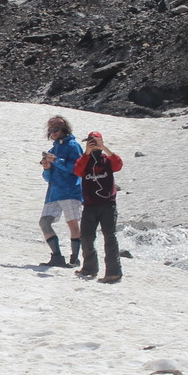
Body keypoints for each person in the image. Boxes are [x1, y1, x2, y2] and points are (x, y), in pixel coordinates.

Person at [73, 130, 123, 283]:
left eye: (96, 141)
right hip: (90, 205)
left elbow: (118, 164)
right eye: (90, 141)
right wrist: (87, 153)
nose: (93, 144)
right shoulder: (84, 160)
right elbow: (77, 170)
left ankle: (113, 272)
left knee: (110, 237)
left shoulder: (107, 159)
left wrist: (105, 148)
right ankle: (90, 267)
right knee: (86, 237)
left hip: (108, 204)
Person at [38, 115, 83, 267]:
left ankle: (75, 258)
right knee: (44, 222)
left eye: (55, 129)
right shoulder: (53, 148)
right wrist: (47, 167)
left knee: (72, 223)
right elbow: (47, 177)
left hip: (70, 190)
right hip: (54, 192)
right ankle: (57, 256)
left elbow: (77, 168)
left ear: (64, 129)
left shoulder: (73, 146)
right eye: (51, 130)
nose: (53, 133)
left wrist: (56, 161)